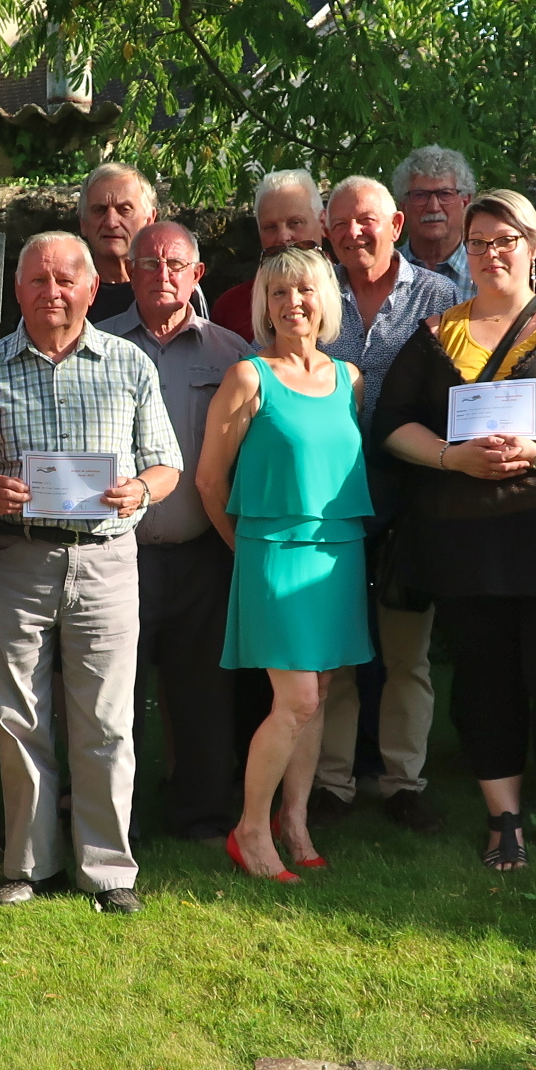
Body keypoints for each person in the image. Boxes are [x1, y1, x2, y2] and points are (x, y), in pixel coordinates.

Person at [372, 189, 536, 872]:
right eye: (480, 241)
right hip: (471, 548)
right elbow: (391, 423)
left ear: (534, 248)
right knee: (484, 685)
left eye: (506, 239)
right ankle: (503, 823)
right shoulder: (437, 335)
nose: (492, 252)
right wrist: (449, 456)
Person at [0, 232, 183, 916]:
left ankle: (108, 869)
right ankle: (29, 864)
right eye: (38, 280)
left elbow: (164, 463)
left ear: (90, 288)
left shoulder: (128, 364)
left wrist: (139, 490)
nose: (52, 292)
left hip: (106, 559)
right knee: (21, 716)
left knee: (107, 716)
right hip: (16, 556)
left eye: (65, 280)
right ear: (17, 291)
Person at [199, 246, 375, 881]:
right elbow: (210, 483)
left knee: (321, 692)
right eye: (278, 293)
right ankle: (251, 828)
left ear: (324, 300)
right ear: (264, 306)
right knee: (295, 699)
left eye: (304, 291)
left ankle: (295, 822)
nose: (293, 303)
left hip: (338, 551)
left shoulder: (348, 378)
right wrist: (246, 553)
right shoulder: (249, 377)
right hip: (272, 553)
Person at [310, 175, 458, 834]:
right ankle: (332, 783)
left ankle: (404, 782)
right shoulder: (315, 296)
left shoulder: (440, 296)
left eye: (365, 221)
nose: (353, 234)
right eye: (339, 224)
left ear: (395, 225)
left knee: (407, 650)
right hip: (330, 498)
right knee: (337, 648)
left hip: (413, 495)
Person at [103, 221, 254, 842]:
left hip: (202, 554)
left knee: (203, 696)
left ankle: (203, 815)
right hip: (116, 553)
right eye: (148, 263)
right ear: (128, 273)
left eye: (175, 264)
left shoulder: (234, 355)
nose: (161, 275)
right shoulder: (100, 346)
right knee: (113, 696)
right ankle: (116, 817)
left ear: (198, 275)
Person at [212, 169, 324, 340]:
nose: (283, 237)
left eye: (295, 223)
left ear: (323, 223)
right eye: (270, 227)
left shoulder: (354, 295)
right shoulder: (232, 307)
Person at [79, 161, 161, 323]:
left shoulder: (172, 287)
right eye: (100, 210)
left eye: (124, 210)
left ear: (149, 220)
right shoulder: (65, 294)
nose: (111, 222)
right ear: (83, 223)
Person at [392, 145, 477, 300]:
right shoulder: (386, 271)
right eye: (420, 195)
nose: (433, 207)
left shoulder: (485, 273)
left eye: (445, 194)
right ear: (404, 206)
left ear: (465, 202)